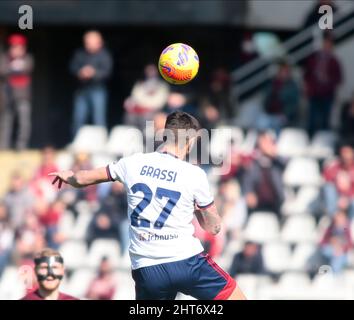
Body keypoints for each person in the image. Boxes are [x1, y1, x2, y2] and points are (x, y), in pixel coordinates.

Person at [49, 111, 246, 300]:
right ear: (192, 141)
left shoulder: (133, 163)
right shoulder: (194, 175)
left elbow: (83, 178)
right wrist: (199, 208)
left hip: (147, 268)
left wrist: (70, 177)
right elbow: (213, 228)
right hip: (187, 262)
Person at [70, 30, 113, 137]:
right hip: (82, 90)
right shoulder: (80, 53)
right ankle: (76, 143)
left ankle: (101, 143)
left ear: (99, 42)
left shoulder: (104, 55)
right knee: (78, 118)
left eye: (91, 42)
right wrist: (80, 72)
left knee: (99, 119)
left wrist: (93, 73)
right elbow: (72, 68)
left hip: (98, 89)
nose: (88, 44)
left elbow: (107, 72)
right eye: (87, 42)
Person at [243, 131, 287, 221]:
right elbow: (247, 179)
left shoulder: (277, 162)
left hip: (275, 202)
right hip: (257, 203)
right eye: (263, 142)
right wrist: (248, 192)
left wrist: (274, 155)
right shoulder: (253, 161)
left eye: (268, 142)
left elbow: (286, 165)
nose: (265, 145)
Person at [304, 34, 342, 136]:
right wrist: (309, 87)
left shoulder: (334, 61)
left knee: (325, 120)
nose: (326, 46)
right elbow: (307, 75)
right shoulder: (313, 59)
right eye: (325, 44)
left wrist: (328, 82)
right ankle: (310, 140)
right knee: (312, 119)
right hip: (314, 93)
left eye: (329, 44)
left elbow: (338, 78)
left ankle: (324, 141)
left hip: (327, 94)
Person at [0, 34, 34, 150]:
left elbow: (27, 68)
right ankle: (3, 148)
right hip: (7, 97)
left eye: (19, 47)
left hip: (23, 96)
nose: (16, 50)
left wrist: (14, 69)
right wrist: (14, 68)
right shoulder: (4, 58)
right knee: (6, 123)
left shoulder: (28, 58)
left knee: (24, 123)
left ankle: (21, 147)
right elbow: (3, 71)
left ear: (23, 48)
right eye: (13, 47)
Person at [258, 61, 300, 132]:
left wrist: (286, 114)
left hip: (283, 115)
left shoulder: (292, 86)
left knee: (276, 126)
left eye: (286, 71)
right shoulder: (271, 83)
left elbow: (294, 104)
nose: (284, 73)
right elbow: (265, 98)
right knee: (261, 123)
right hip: (269, 113)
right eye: (282, 71)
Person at [322, 142, 354, 219]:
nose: (345, 155)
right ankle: (335, 219)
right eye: (343, 152)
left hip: (351, 199)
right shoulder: (335, 166)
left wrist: (347, 196)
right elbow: (326, 177)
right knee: (328, 188)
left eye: (348, 152)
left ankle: (350, 225)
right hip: (337, 199)